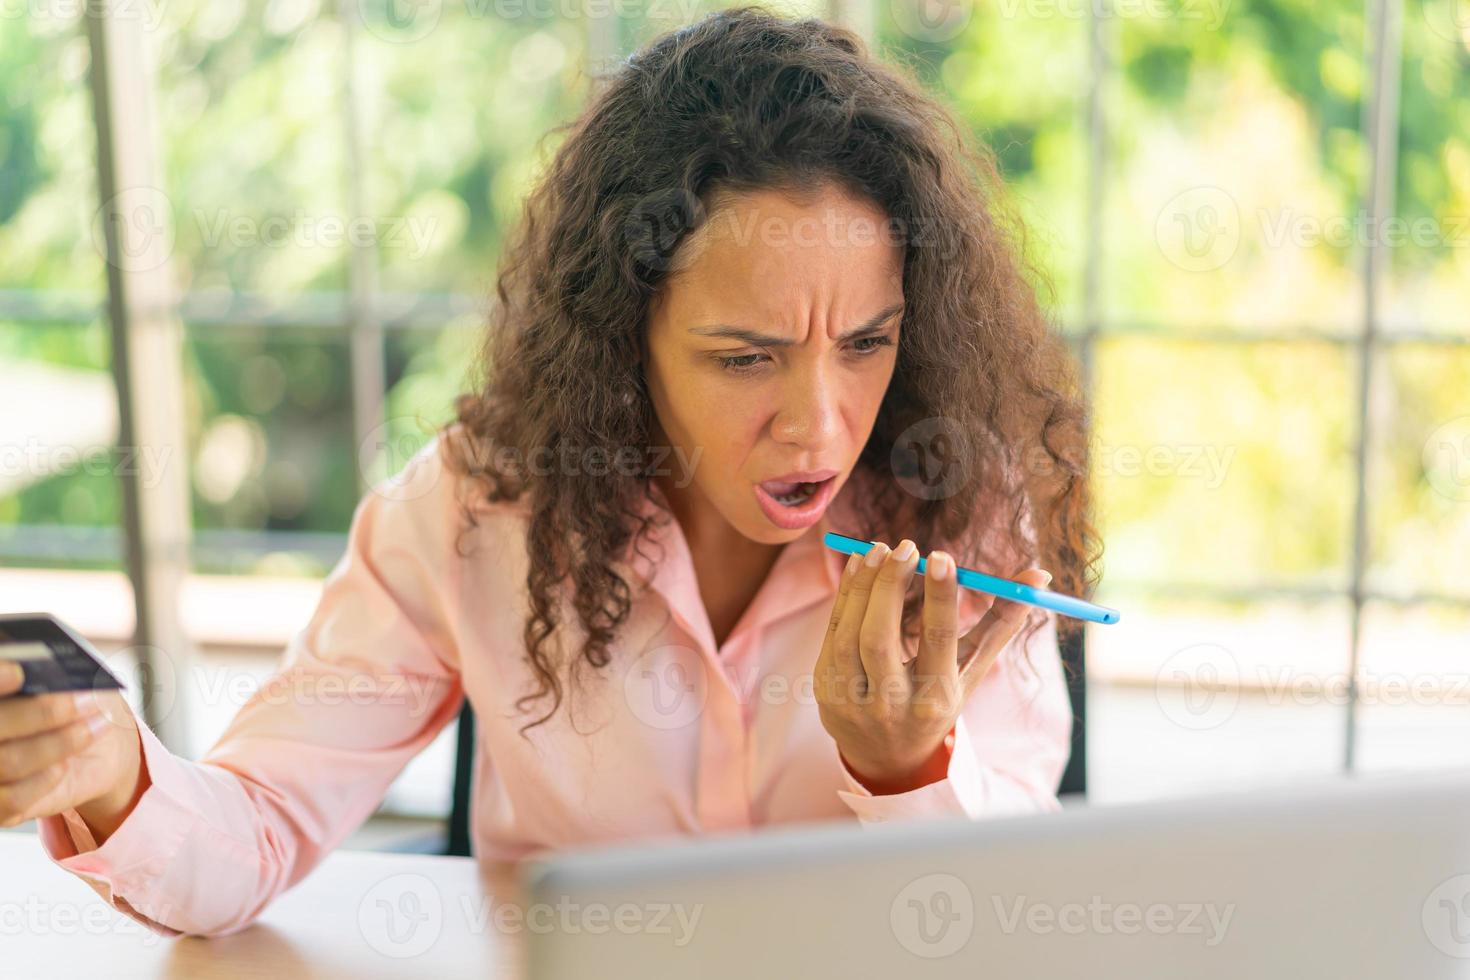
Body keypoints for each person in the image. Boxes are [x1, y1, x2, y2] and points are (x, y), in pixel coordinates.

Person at [0, 5, 1100, 937]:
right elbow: (256, 827)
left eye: (867, 341)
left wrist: (909, 776)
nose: (819, 427)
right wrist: (110, 770)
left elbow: (1002, 934)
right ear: (626, 334)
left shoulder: (963, 510)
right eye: (744, 358)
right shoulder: (476, 509)